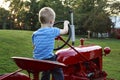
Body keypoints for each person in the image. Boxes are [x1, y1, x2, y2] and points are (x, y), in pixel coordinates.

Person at [32, 7, 69, 80]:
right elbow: (65, 31)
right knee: (58, 69)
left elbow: (34, 46)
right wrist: (66, 23)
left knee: (46, 69)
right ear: (52, 22)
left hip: (36, 60)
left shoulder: (35, 34)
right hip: (48, 59)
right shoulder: (52, 31)